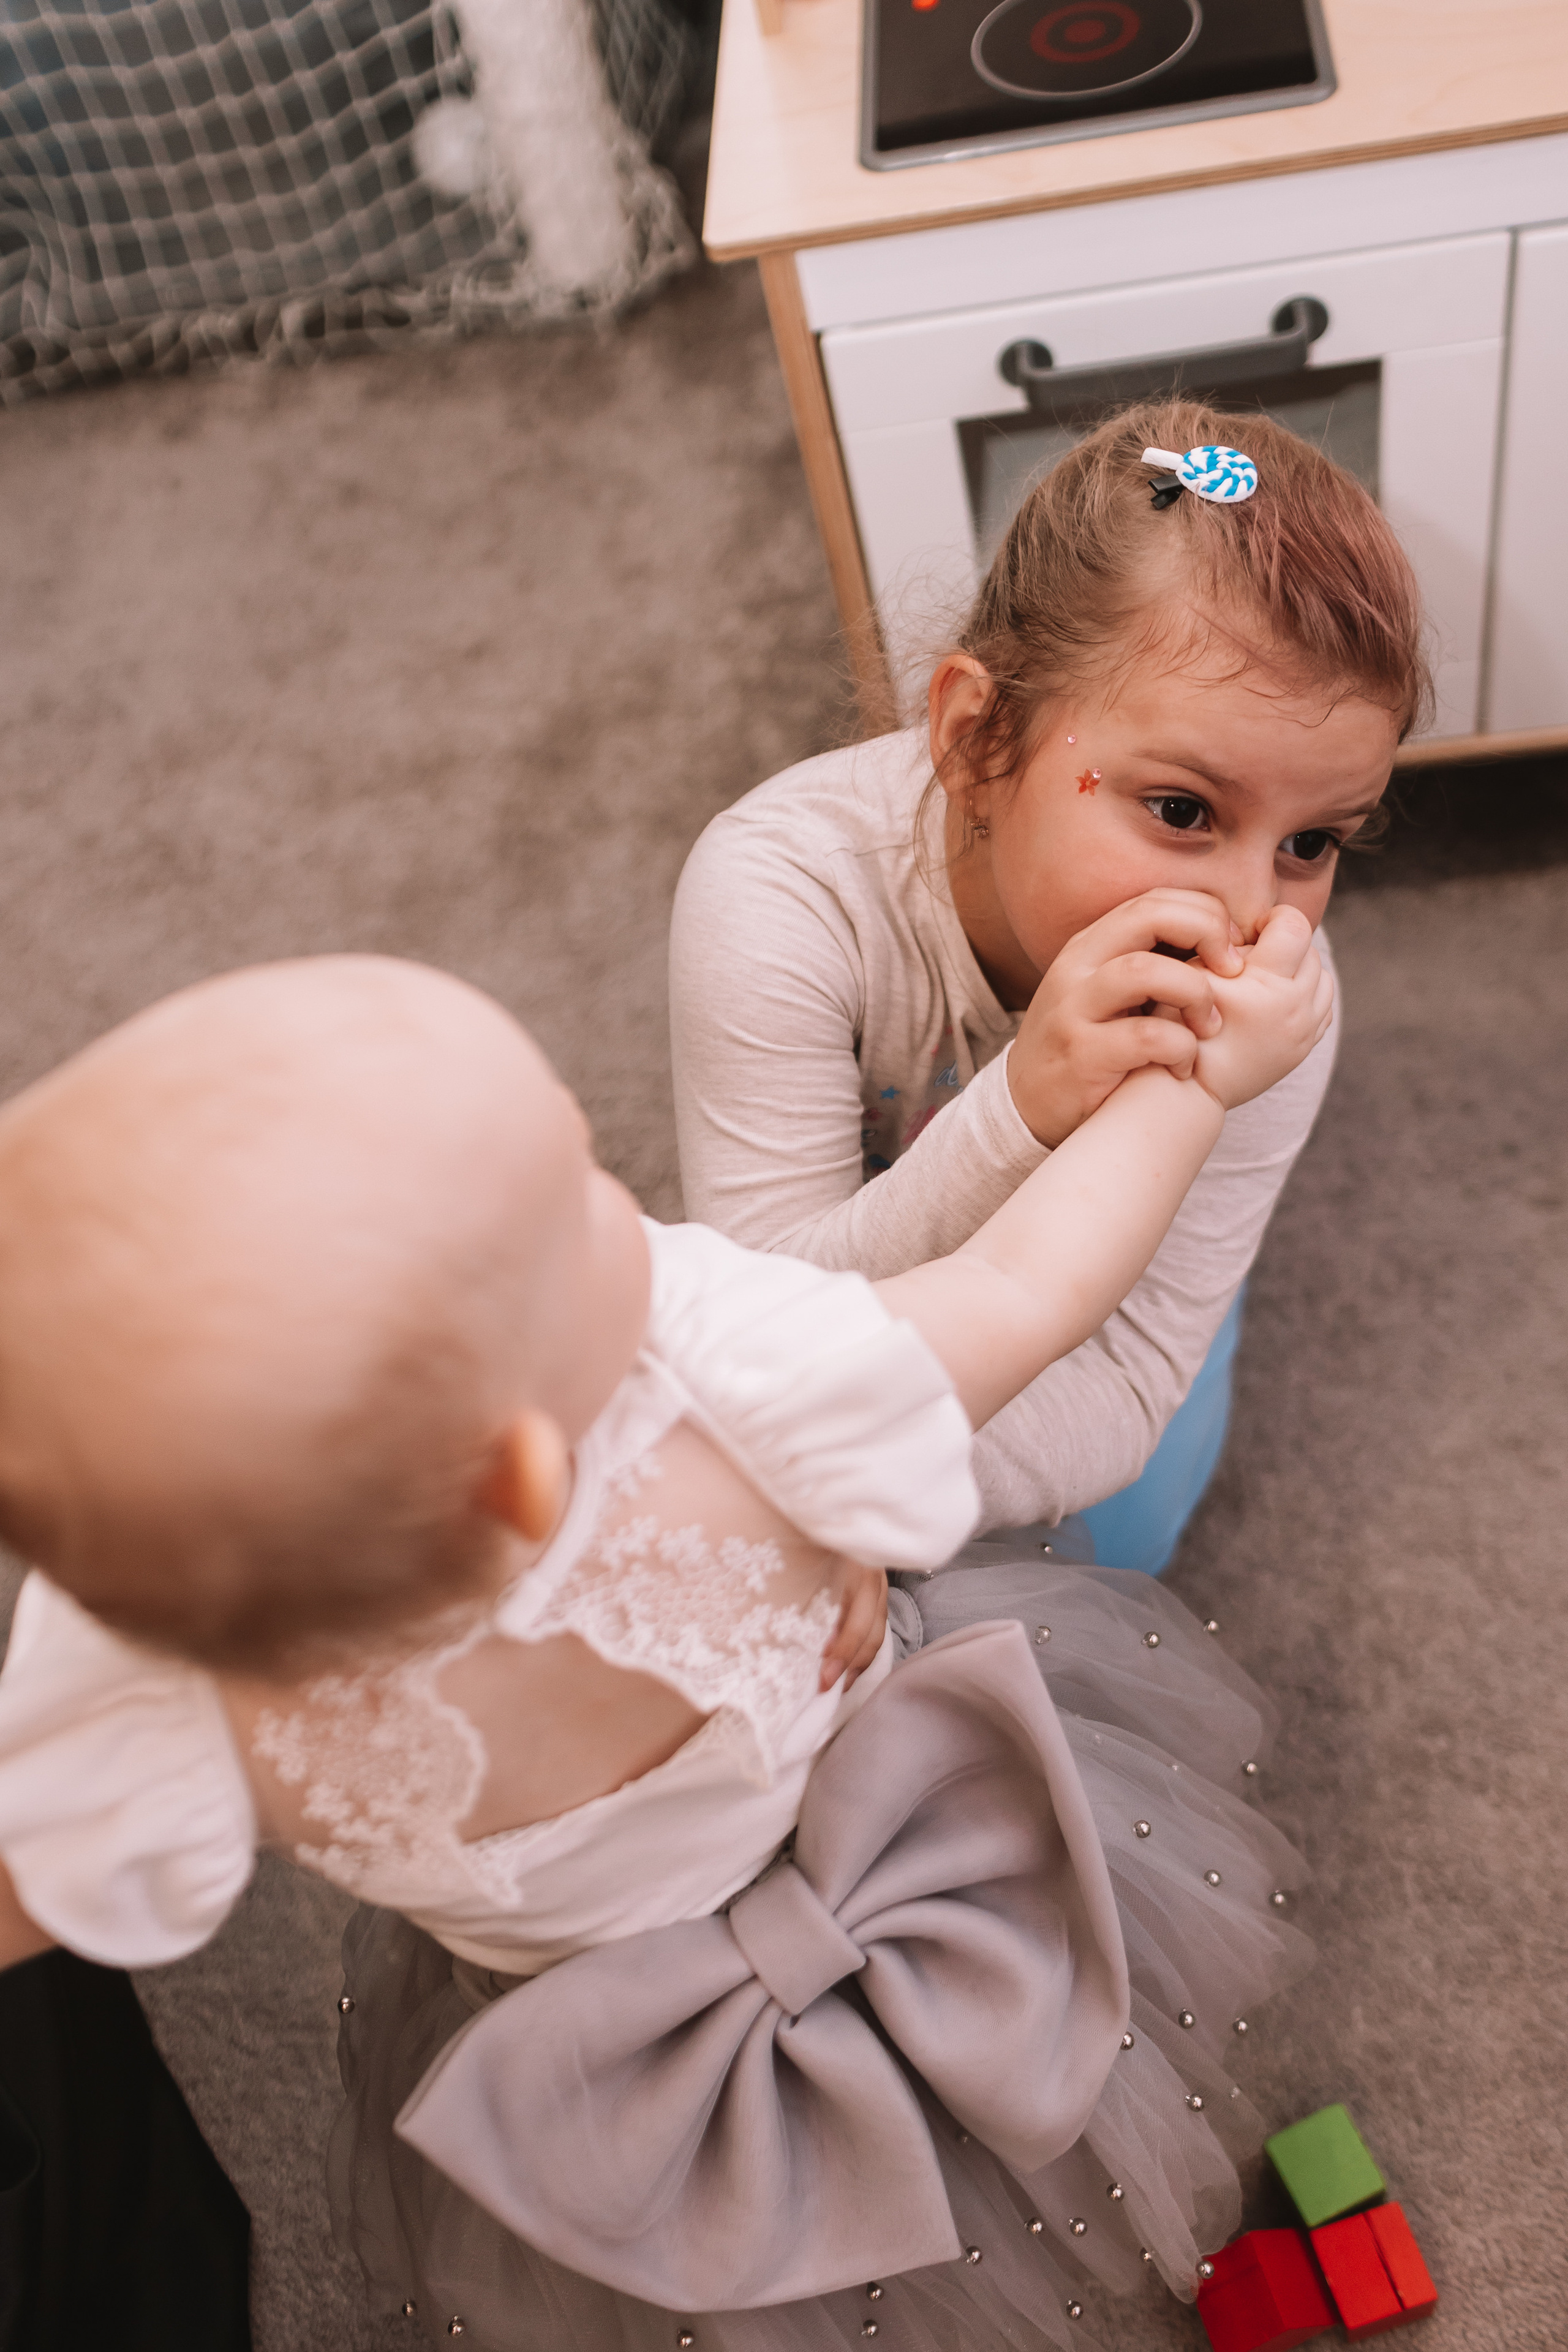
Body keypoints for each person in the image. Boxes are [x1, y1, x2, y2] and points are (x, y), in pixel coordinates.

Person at [0, 944, 1327, 2351]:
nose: (613, 1194)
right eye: (578, 1194)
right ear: (515, 1475)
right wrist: (1198, 1086)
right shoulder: (726, 1383)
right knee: (1055, 2100)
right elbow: (1027, 1282)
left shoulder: (161, 1695)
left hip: (610, 2066)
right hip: (930, 1854)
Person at [670, 401, 1430, 1574]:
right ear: (979, 740)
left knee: (1101, 1555)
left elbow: (1124, 1384)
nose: (1248, 916)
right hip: (853, 1249)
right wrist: (1023, 1108)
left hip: (1077, 1314)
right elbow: (759, 1330)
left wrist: (846, 1488)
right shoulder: (779, 893)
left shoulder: (1275, 1004)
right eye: (1183, 811)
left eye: (1314, 842)